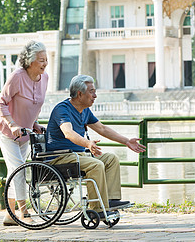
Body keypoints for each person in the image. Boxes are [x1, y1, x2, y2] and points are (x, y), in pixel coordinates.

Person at [46, 74, 146, 217]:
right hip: (60, 157)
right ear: (80, 94)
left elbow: (102, 129)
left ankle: (109, 201)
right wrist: (87, 143)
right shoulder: (62, 109)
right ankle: (97, 208)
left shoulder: (84, 110)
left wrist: (126, 141)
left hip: (78, 156)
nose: (95, 95)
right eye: (91, 91)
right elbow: (68, 132)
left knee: (110, 159)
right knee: (95, 164)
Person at [0, 41, 48, 226]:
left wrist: (35, 123)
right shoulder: (17, 76)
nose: (45, 63)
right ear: (30, 61)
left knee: (14, 171)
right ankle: (24, 213)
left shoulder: (45, 78)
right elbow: (1, 102)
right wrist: (12, 124)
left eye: (46, 59)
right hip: (7, 131)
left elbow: (35, 105)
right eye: (41, 60)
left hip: (25, 132)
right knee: (19, 169)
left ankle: (9, 215)